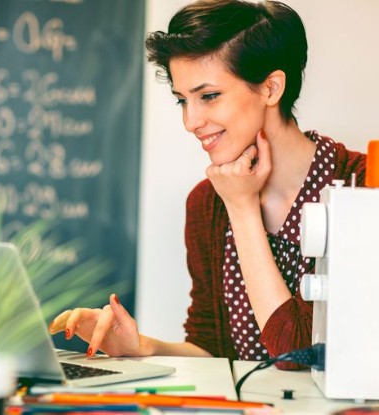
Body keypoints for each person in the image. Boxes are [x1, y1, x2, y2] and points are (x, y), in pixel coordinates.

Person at [48, 0, 366, 369]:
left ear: (271, 88)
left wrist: (243, 209)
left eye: (209, 96)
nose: (190, 121)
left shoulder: (362, 189)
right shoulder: (206, 203)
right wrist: (140, 347)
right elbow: (213, 349)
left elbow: (297, 357)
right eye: (182, 100)